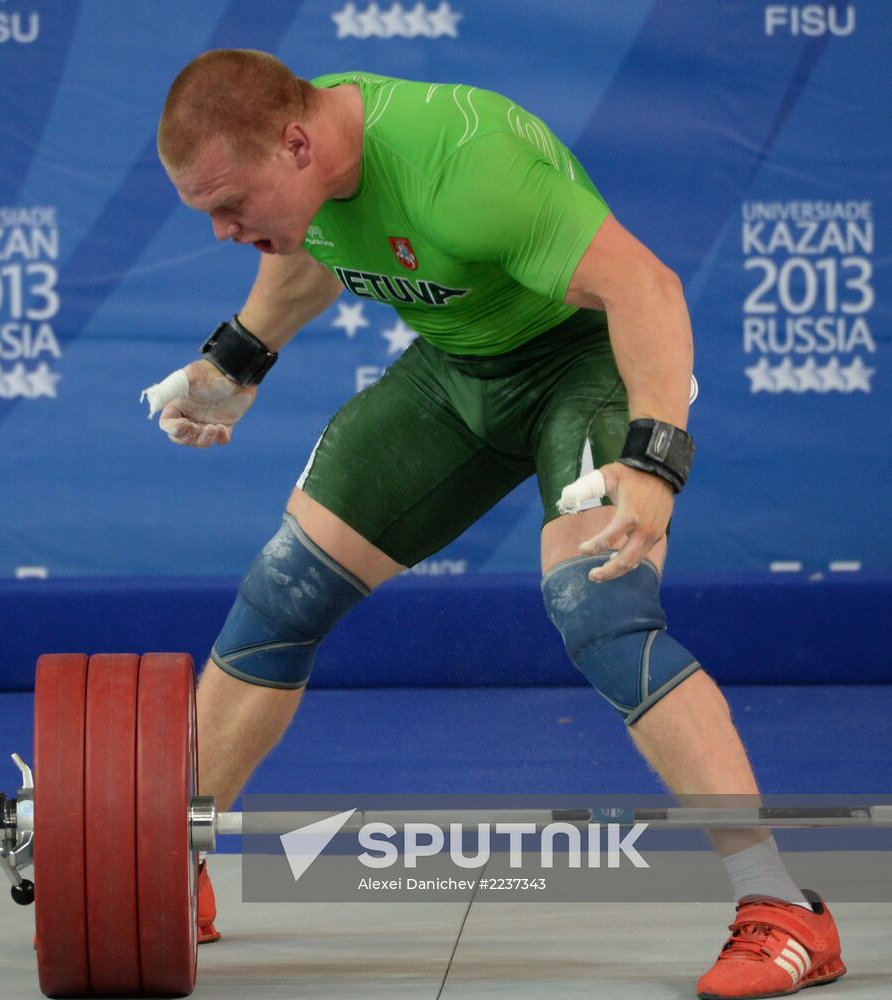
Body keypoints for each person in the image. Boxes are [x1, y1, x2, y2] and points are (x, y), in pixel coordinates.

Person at [146, 49, 844, 999]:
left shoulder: (460, 161)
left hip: (584, 365)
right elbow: (311, 252)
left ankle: (784, 910)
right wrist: (233, 364)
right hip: (457, 377)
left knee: (598, 609)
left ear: (297, 143)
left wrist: (651, 463)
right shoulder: (308, 177)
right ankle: (162, 869)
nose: (225, 231)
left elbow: (646, 290)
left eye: (229, 206)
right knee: (284, 591)